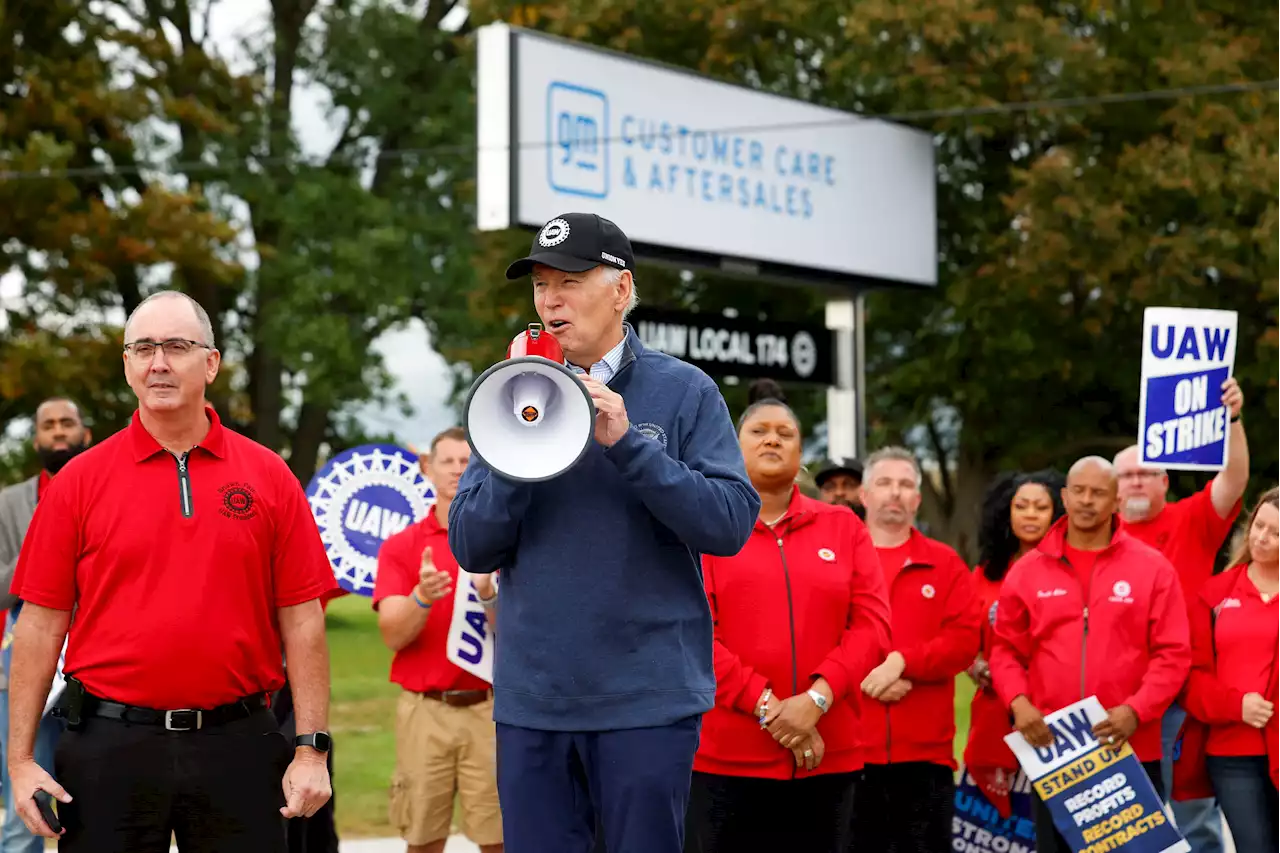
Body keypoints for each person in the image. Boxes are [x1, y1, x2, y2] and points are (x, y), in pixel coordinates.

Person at [448, 212, 760, 853]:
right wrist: (521, 441)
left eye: (569, 280)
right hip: (535, 703)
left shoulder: (684, 390)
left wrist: (629, 448)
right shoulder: (508, 394)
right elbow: (472, 544)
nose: (549, 299)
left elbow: (729, 523)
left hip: (645, 703)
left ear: (620, 289)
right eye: (539, 284)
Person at [6, 290, 337, 853]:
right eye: (144, 348)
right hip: (108, 746)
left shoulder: (269, 475)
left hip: (239, 741)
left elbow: (303, 620)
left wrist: (310, 750)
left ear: (211, 362)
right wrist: (18, 763)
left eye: (177, 347)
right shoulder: (78, 484)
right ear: (128, 365)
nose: (159, 362)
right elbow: (38, 626)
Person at [684, 396, 890, 853]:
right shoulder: (704, 529)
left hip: (828, 756)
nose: (773, 438)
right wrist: (772, 710)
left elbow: (873, 626)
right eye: (759, 431)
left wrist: (816, 700)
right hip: (726, 762)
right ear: (734, 449)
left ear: (801, 458)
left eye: (786, 432)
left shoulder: (844, 528)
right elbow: (694, 635)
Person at [990, 456, 1192, 853]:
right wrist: (1018, 702)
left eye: (1098, 493)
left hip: (1130, 748)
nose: (1086, 501)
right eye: (1078, 491)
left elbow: (1173, 654)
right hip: (1056, 752)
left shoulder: (1152, 568)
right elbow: (1005, 649)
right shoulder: (1028, 570)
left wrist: (1136, 710)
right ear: (1064, 497)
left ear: (1116, 501)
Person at [1113, 376, 1248, 853]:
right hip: (1118, 695)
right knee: (1120, 816)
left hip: (1182, 692)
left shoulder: (1191, 518)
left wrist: (1231, 419)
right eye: (1126, 475)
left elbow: (1233, 481)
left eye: (1145, 473)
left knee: (1192, 811)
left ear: (1164, 482)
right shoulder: (1097, 537)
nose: (1135, 481)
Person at [374, 426, 502, 853]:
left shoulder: (501, 540)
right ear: (427, 468)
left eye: (466, 461)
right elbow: (392, 633)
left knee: (500, 837)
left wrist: (487, 594)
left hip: (491, 709)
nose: (457, 470)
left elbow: (519, 634)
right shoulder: (402, 546)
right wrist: (420, 597)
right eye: (447, 461)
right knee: (422, 838)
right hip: (425, 710)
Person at [849, 446, 981, 851]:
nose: (895, 493)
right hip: (850, 753)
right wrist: (871, 678)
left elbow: (964, 640)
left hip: (926, 759)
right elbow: (815, 641)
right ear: (864, 495)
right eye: (884, 483)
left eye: (905, 485)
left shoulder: (945, 564)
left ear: (917, 499)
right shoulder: (837, 561)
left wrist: (903, 663)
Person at [0, 398, 91, 853]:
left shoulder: (105, 493)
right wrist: (46, 540)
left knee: (94, 807)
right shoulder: (9, 503)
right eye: (49, 425)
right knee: (25, 808)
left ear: (84, 434)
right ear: (36, 439)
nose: (58, 432)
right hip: (23, 667)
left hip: (94, 672)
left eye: (67, 424)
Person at [1174, 488, 1280, 852]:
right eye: (1259, 526)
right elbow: (1190, 679)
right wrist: (1236, 706)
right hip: (1232, 754)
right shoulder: (1215, 593)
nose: (1263, 538)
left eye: (1276, 532)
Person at [963, 469, 1064, 818]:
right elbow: (965, 641)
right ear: (1007, 512)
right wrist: (976, 667)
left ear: (1058, 514)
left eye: (1041, 507)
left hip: (1055, 715)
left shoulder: (1069, 570)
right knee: (996, 829)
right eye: (1022, 506)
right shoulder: (986, 574)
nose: (1031, 515)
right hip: (994, 713)